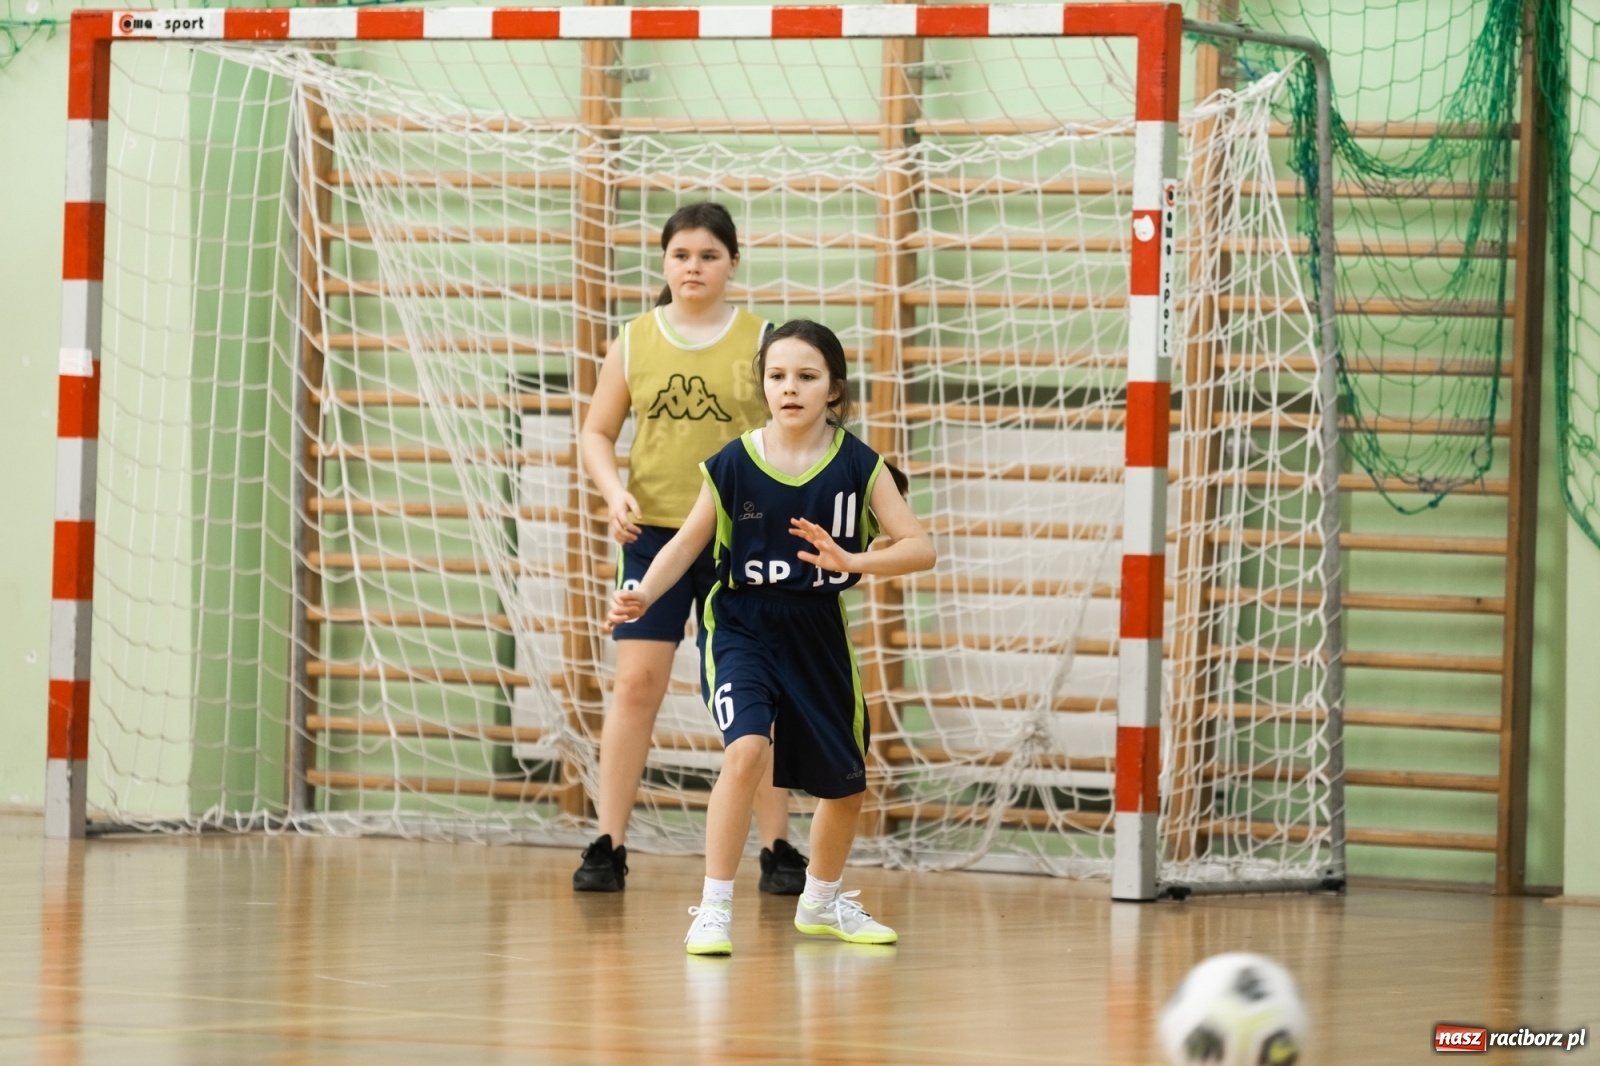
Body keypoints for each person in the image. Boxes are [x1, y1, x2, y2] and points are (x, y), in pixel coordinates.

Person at [608, 319, 937, 956]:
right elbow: (684, 544)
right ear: (763, 385)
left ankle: (821, 902)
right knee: (747, 750)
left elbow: (921, 548)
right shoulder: (733, 463)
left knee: (845, 787)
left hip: (818, 634)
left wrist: (853, 562)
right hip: (741, 626)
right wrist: (643, 592)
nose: (790, 388)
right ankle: (713, 908)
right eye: (778, 376)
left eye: (807, 377)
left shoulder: (861, 466)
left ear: (833, 389)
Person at [574, 202, 809, 895]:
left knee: (757, 693)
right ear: (664, 263)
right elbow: (596, 432)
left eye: (708, 255)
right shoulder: (635, 338)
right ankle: (608, 843)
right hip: (653, 539)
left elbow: (789, 436)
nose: (694, 267)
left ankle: (776, 846)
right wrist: (614, 491)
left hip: (743, 538)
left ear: (733, 262)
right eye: (681, 255)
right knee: (636, 684)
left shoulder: (763, 341)